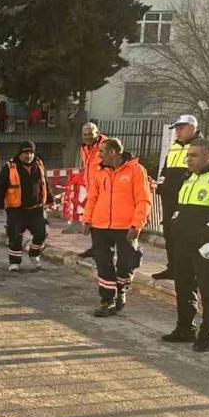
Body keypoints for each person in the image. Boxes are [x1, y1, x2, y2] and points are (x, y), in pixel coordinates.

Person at [162, 139, 209, 352]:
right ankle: (184, 329)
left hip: (208, 246)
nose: (188, 159)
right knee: (184, 286)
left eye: (193, 155)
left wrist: (205, 234)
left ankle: (207, 336)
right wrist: (176, 224)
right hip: (183, 244)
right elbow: (180, 207)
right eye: (188, 155)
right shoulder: (189, 176)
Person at [82, 138, 151, 317]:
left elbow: (143, 200)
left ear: (113, 152)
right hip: (100, 225)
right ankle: (107, 300)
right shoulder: (99, 172)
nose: (99, 155)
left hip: (126, 227)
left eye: (102, 151)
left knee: (127, 262)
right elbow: (92, 197)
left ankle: (121, 290)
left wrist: (137, 224)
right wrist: (87, 219)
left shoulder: (136, 170)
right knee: (103, 262)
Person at [153, 114, 202, 281]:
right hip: (169, 196)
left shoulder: (200, 146)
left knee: (184, 235)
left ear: (193, 128)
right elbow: (166, 168)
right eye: (176, 129)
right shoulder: (174, 145)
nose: (178, 132)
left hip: (187, 199)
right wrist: (161, 183)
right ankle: (172, 268)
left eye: (181, 128)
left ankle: (185, 271)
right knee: (169, 233)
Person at [0, 141, 51, 272]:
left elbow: (44, 183)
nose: (28, 155)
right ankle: (14, 262)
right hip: (16, 209)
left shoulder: (39, 164)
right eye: (25, 153)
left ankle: (34, 254)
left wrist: (49, 199)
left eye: (31, 152)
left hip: (36, 208)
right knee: (15, 236)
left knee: (42, 233)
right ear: (20, 154)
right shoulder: (10, 166)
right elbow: (0, 186)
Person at [77, 122, 108, 258]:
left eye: (90, 134)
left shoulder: (106, 146)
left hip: (105, 189)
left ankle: (103, 249)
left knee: (103, 220)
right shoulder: (84, 148)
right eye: (85, 135)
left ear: (98, 133)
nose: (87, 137)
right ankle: (96, 247)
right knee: (93, 219)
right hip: (92, 189)